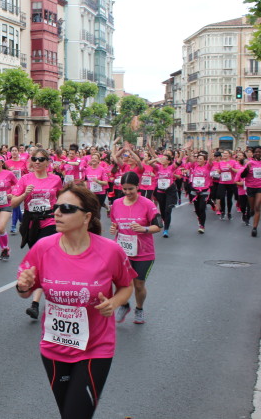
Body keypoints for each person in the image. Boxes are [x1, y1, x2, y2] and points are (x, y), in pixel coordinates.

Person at [16, 184, 136, 419]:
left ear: (87, 217)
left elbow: (126, 285)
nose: (58, 213)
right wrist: (24, 286)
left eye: (67, 208)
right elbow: (24, 292)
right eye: (57, 207)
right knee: (68, 413)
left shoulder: (110, 251)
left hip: (95, 348)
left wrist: (113, 303)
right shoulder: (43, 247)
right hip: (54, 347)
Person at [10, 148, 64, 320]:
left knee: (43, 259)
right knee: (41, 263)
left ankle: (35, 303)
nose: (38, 162)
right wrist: (25, 194)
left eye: (42, 159)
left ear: (48, 162)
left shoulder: (55, 179)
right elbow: (13, 203)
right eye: (35, 159)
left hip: (50, 222)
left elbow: (62, 200)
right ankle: (50, 294)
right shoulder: (25, 179)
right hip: (31, 223)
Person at [109, 171, 162, 325]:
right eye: (124, 189)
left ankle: (139, 309)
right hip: (122, 251)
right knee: (120, 282)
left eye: (131, 189)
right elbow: (115, 223)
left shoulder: (147, 204)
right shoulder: (117, 204)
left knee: (138, 285)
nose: (127, 192)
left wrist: (144, 229)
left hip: (143, 252)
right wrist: (114, 229)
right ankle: (124, 305)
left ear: (138, 186)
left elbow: (158, 226)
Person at [187, 150, 213, 234]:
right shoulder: (195, 166)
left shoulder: (208, 166)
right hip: (194, 190)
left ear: (205, 160)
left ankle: (202, 225)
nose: (198, 160)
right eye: (198, 159)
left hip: (204, 190)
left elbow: (211, 159)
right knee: (197, 209)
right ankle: (199, 217)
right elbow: (190, 159)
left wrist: (209, 148)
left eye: (200, 159)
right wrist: (188, 149)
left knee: (202, 208)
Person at [213, 149, 241, 221]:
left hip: (231, 183)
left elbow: (238, 171)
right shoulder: (220, 162)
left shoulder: (233, 162)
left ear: (230, 155)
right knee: (221, 197)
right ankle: (223, 212)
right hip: (222, 182)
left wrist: (231, 168)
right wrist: (218, 171)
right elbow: (219, 171)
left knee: (229, 198)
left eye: (226, 153)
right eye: (223, 153)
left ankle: (229, 213)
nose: (224, 154)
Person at [240, 146, 261, 236]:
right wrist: (247, 169)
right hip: (250, 187)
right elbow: (243, 176)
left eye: (259, 152)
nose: (258, 153)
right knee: (252, 207)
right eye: (256, 152)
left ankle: (254, 228)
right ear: (253, 153)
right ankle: (251, 209)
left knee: (257, 207)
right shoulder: (249, 163)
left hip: (260, 187)